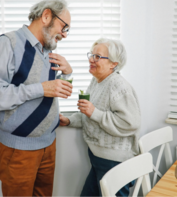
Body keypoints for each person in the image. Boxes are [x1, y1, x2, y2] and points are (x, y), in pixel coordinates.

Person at [0, 0, 73, 197]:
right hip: (18, 150)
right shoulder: (8, 44)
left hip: (48, 144)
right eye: (64, 27)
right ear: (46, 16)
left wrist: (68, 73)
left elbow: (52, 92)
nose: (64, 35)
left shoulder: (47, 51)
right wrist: (40, 89)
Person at [59, 38, 141, 197]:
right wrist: (70, 120)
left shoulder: (118, 86)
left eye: (98, 57)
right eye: (91, 55)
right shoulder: (97, 81)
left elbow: (131, 123)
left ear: (113, 64)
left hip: (114, 161)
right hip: (98, 157)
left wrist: (94, 112)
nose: (91, 59)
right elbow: (90, 115)